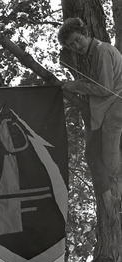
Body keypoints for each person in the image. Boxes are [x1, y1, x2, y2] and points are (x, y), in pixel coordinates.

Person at [58, 17, 122, 219]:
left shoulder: (102, 51)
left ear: (86, 33)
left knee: (110, 164)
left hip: (114, 107)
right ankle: (109, 198)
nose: (76, 46)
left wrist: (76, 85)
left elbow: (105, 89)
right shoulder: (97, 53)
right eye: (71, 45)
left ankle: (114, 197)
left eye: (77, 40)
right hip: (109, 106)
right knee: (93, 152)